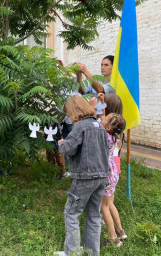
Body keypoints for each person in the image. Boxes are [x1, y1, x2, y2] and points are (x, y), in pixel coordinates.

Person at [55, 95, 110, 256]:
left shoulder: (80, 127)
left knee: (71, 213)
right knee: (94, 215)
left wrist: (61, 144)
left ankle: (71, 252)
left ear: (73, 111)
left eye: (68, 113)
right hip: (101, 177)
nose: (68, 117)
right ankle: (92, 253)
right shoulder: (99, 126)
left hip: (85, 177)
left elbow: (68, 149)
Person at [97, 93, 127, 247]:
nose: (104, 116)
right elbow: (104, 119)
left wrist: (99, 105)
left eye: (107, 118)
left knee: (104, 207)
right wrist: (102, 102)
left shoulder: (104, 135)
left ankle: (113, 237)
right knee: (111, 204)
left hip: (106, 175)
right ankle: (121, 231)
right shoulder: (115, 135)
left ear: (108, 127)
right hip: (114, 173)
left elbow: (102, 121)